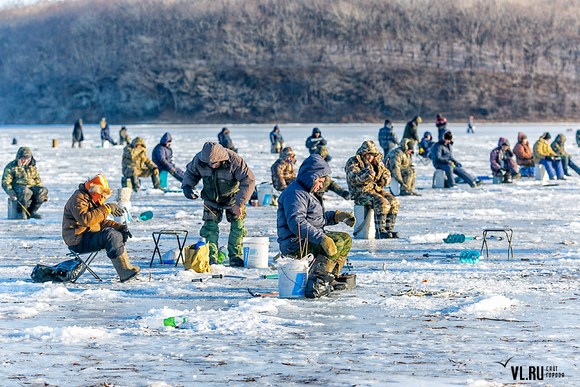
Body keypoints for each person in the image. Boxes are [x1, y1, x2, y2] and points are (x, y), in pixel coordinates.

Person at [277, 154, 355, 298]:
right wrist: (322, 239)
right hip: (295, 244)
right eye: (319, 181)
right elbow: (297, 223)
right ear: (311, 177)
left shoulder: (308, 192)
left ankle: (327, 279)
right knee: (336, 241)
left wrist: (338, 216)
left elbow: (316, 219)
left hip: (307, 240)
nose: (321, 185)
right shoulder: (295, 194)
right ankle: (316, 284)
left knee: (345, 238)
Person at [182, 142, 255, 266]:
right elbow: (191, 173)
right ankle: (211, 256)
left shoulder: (235, 161)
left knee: (238, 227)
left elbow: (248, 180)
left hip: (233, 198)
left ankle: (235, 256)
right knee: (209, 228)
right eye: (208, 163)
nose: (211, 165)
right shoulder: (199, 160)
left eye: (214, 163)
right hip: (211, 199)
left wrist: (240, 203)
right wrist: (187, 187)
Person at [62, 174, 140, 282]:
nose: (102, 198)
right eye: (101, 195)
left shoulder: (91, 199)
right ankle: (124, 272)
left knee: (116, 233)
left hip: (87, 235)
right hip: (77, 240)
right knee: (110, 235)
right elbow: (86, 220)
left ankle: (126, 267)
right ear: (94, 191)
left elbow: (100, 222)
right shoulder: (78, 198)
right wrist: (106, 208)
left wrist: (120, 227)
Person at [345, 140, 400, 238]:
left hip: (375, 190)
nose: (369, 157)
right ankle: (380, 231)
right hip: (360, 193)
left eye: (372, 154)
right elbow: (353, 177)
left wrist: (385, 178)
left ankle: (389, 229)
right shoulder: (354, 162)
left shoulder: (377, 163)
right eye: (367, 154)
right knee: (382, 202)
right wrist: (367, 175)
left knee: (394, 202)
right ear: (363, 153)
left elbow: (386, 173)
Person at [2, 146, 48, 219]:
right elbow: (5, 182)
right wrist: (10, 192)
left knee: (43, 190)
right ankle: (21, 212)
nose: (26, 161)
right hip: (19, 188)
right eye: (24, 159)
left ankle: (32, 212)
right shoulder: (11, 167)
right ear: (19, 158)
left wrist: (41, 194)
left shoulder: (32, 167)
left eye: (28, 159)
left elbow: (37, 180)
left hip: (31, 187)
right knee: (26, 191)